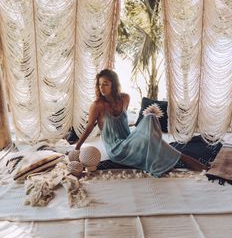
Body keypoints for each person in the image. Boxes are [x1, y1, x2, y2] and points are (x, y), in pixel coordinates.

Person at [75, 69, 208, 177]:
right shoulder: (97, 105)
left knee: (150, 117)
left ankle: (159, 149)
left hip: (130, 139)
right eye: (99, 84)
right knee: (161, 145)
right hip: (117, 149)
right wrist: (77, 147)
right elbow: (88, 128)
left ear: (113, 85)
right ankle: (186, 161)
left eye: (105, 84)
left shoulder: (125, 98)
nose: (101, 87)